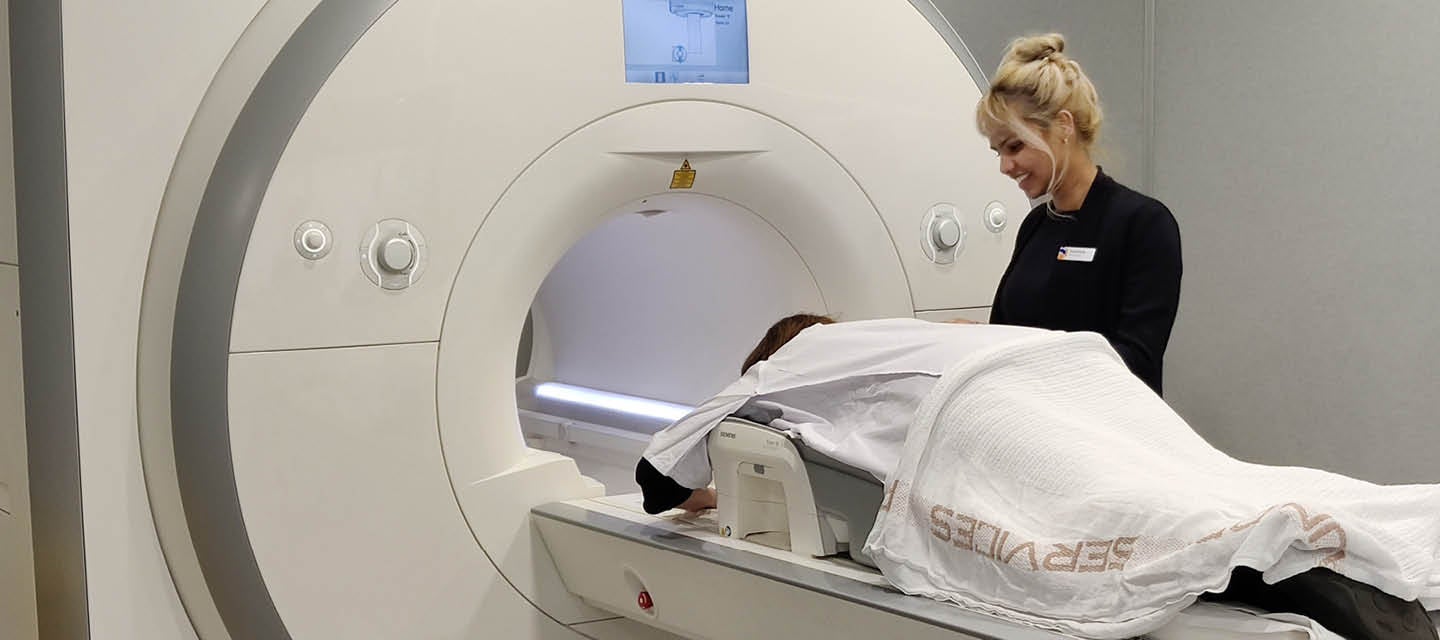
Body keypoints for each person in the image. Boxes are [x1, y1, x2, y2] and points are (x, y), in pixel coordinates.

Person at [635, 314, 1438, 640]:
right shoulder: (896, 334)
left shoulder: (789, 365)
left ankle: (1339, 585)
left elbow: (657, 473)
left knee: (1147, 522)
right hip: (1072, 372)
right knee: (1204, 484)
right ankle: (1360, 537)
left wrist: (711, 494)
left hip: (987, 419)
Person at [979, 34, 1182, 395]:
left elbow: (1135, 363)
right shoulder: (1035, 227)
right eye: (997, 151)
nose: (1005, 166)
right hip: (1030, 424)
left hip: (1105, 434)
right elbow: (1005, 333)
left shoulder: (1143, 224)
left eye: (1014, 146)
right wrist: (974, 341)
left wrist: (1019, 358)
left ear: (1063, 126)